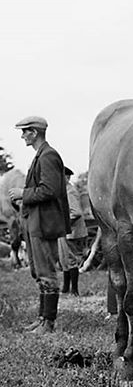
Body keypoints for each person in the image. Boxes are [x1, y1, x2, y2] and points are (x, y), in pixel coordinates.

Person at [8, 116, 70, 332]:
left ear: (34, 132)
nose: (23, 136)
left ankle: (48, 322)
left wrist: (22, 193)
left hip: (44, 223)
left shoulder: (48, 156)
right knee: (38, 272)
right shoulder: (41, 155)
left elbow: (49, 190)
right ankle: (43, 318)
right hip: (36, 222)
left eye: (25, 131)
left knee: (47, 273)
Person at [57, 167, 87, 296]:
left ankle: (74, 290)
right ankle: (66, 288)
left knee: (71, 260)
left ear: (66, 177)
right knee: (66, 259)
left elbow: (76, 213)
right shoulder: (65, 191)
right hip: (69, 231)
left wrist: (62, 224)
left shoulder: (69, 192)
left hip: (72, 232)